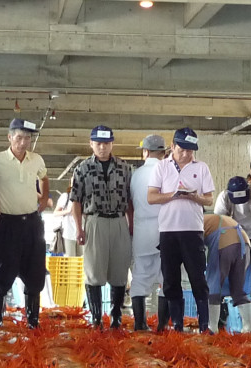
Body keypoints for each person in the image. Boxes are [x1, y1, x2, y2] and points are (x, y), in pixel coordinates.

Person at [0, 118, 49, 329]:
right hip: (8, 224)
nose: (23, 143)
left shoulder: (37, 159)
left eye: (27, 138)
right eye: (19, 138)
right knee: (4, 270)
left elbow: (44, 177)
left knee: (35, 271)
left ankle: (33, 320)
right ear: (9, 137)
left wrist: (44, 198)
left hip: (33, 223)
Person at [147, 128, 214, 333]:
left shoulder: (201, 167)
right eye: (182, 149)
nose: (186, 154)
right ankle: (177, 324)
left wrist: (195, 197)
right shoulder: (161, 167)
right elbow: (151, 197)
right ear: (173, 146)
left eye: (190, 151)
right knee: (171, 279)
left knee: (197, 278)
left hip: (193, 230)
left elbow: (209, 199)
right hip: (168, 230)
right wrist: (173, 195)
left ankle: (204, 324)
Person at [70, 125, 133, 329]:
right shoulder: (82, 168)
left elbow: (131, 201)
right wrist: (79, 228)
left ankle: (116, 315)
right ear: (91, 144)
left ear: (112, 144)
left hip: (118, 220)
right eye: (98, 144)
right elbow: (76, 201)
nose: (102, 148)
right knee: (94, 271)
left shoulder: (125, 168)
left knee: (119, 270)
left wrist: (130, 226)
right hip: (94, 220)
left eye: (106, 143)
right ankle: (96, 317)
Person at [130, 134, 167, 331]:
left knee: (140, 276)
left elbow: (131, 204)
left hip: (141, 230)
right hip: (164, 230)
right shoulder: (168, 172)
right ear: (164, 153)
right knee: (166, 277)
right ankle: (162, 326)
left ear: (145, 152)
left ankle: (139, 323)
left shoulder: (136, 175)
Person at [203, 213, 251, 333]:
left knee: (213, 287)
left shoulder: (195, 221)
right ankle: (248, 327)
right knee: (238, 289)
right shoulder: (210, 218)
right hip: (244, 243)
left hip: (224, 241)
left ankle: (212, 328)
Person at [52, 186, 81, 256]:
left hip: (83, 231)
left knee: (83, 260)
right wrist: (68, 211)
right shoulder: (66, 196)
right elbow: (55, 213)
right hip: (68, 233)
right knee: (70, 260)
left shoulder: (84, 196)